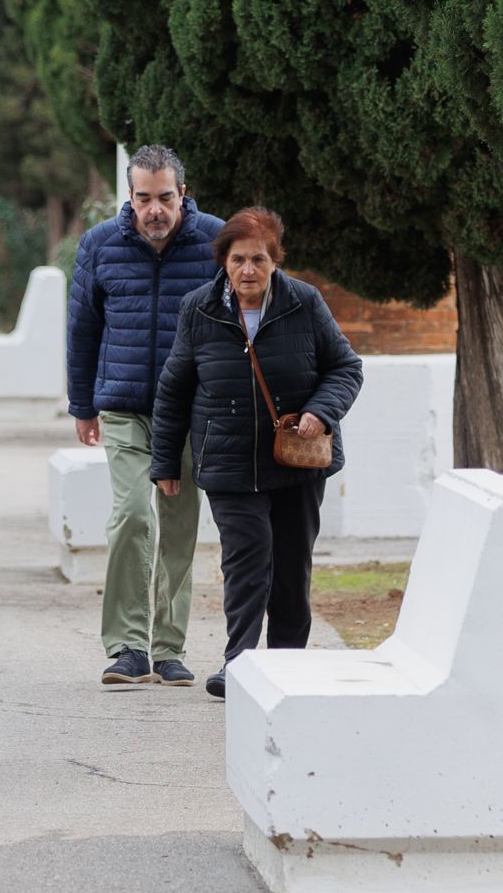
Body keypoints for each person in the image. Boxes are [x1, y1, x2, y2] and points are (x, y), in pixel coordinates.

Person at [150, 207, 363, 698]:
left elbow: (346, 368)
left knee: (291, 566)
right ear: (224, 261)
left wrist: (320, 412)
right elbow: (174, 390)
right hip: (227, 461)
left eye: (260, 260)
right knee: (246, 562)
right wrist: (164, 461)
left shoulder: (303, 302)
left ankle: (288, 664)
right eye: (239, 259)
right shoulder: (198, 310)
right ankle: (239, 662)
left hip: (297, 461)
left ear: (275, 261)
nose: (249, 270)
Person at [67, 145, 223, 688]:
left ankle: (169, 646)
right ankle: (128, 646)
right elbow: (82, 331)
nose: (154, 209)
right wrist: (82, 405)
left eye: (165, 198)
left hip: (190, 411)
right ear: (128, 197)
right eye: (143, 198)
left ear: (184, 193)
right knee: (132, 514)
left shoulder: (215, 243)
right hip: (125, 404)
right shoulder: (99, 245)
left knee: (179, 528)